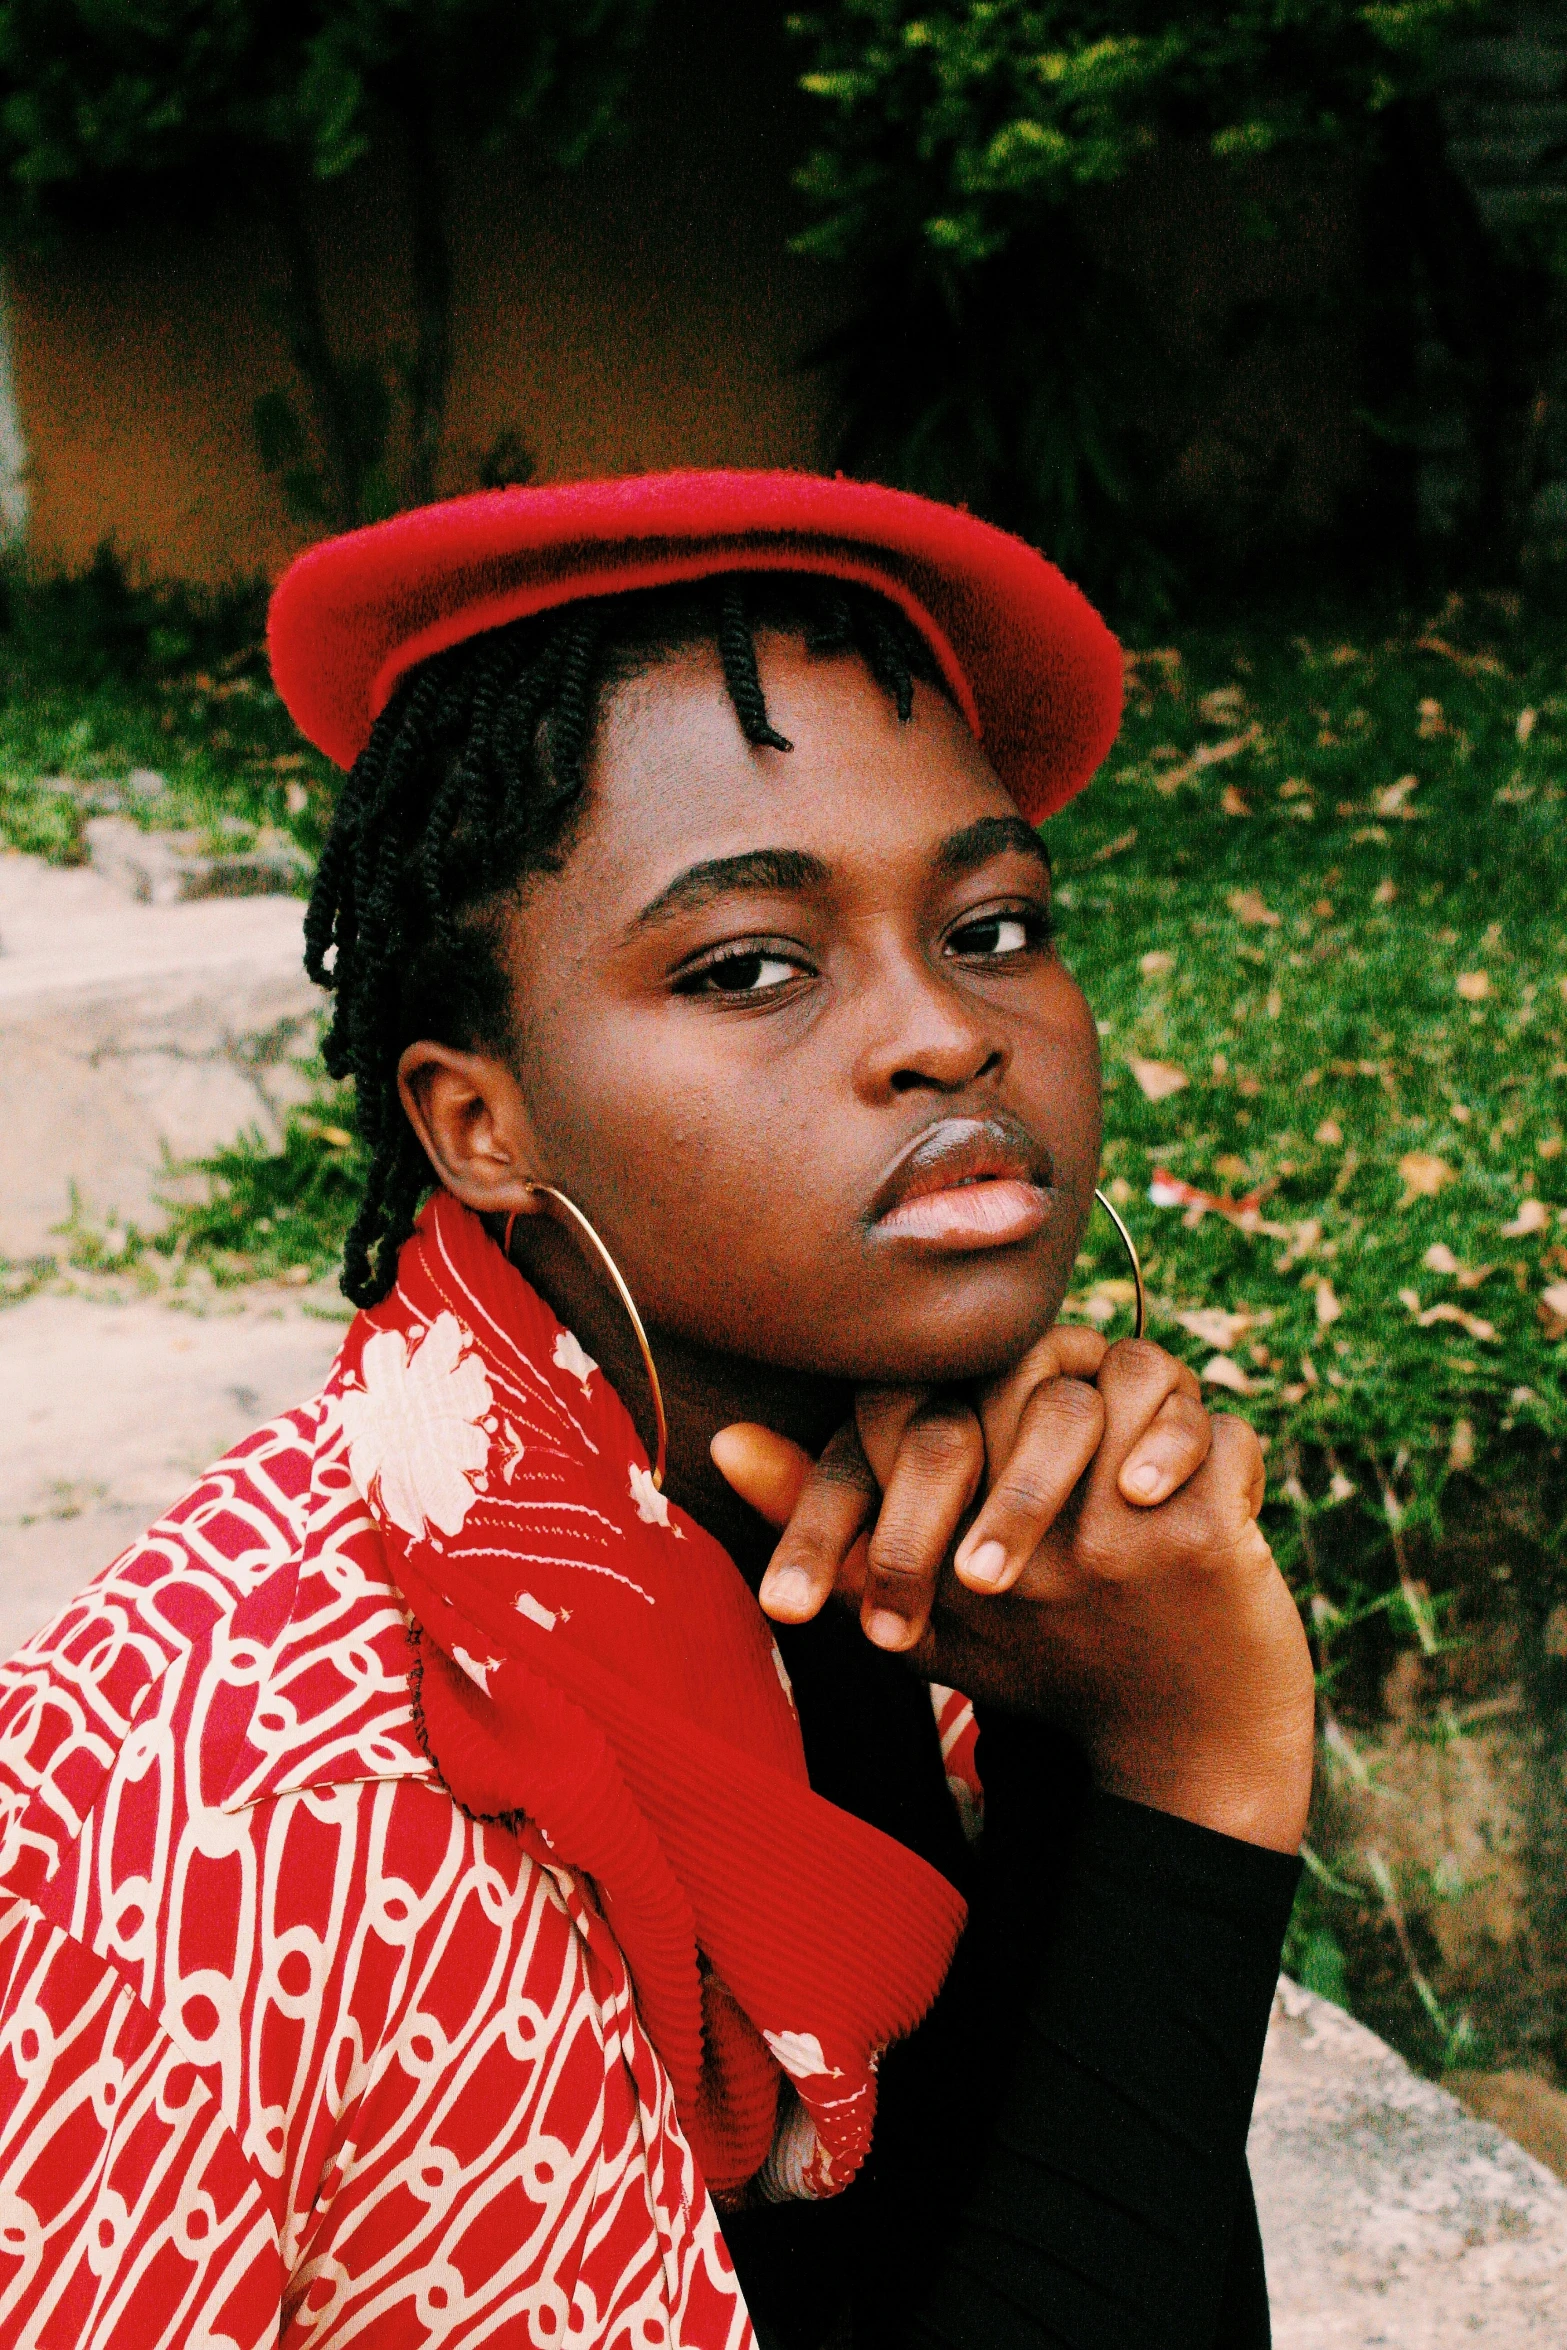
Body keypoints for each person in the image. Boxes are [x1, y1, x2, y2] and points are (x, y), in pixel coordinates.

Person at [0, 472, 1314, 2349]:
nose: (945, 1029)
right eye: (749, 964)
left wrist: (1102, 1757)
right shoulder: (223, 1806)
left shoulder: (960, 1560)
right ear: (480, 1121)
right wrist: (1208, 1766)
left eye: (998, 924)